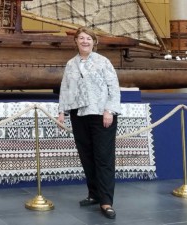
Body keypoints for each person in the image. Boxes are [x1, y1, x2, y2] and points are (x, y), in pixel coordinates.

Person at [57, 26, 121, 219]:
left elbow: (114, 87)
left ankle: (106, 201)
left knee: (103, 158)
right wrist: (62, 111)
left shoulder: (103, 62)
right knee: (87, 156)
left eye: (88, 39)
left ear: (94, 42)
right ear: (76, 41)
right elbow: (66, 88)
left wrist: (109, 110)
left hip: (101, 114)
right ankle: (93, 194)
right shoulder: (71, 64)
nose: (85, 41)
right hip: (79, 114)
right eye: (81, 38)